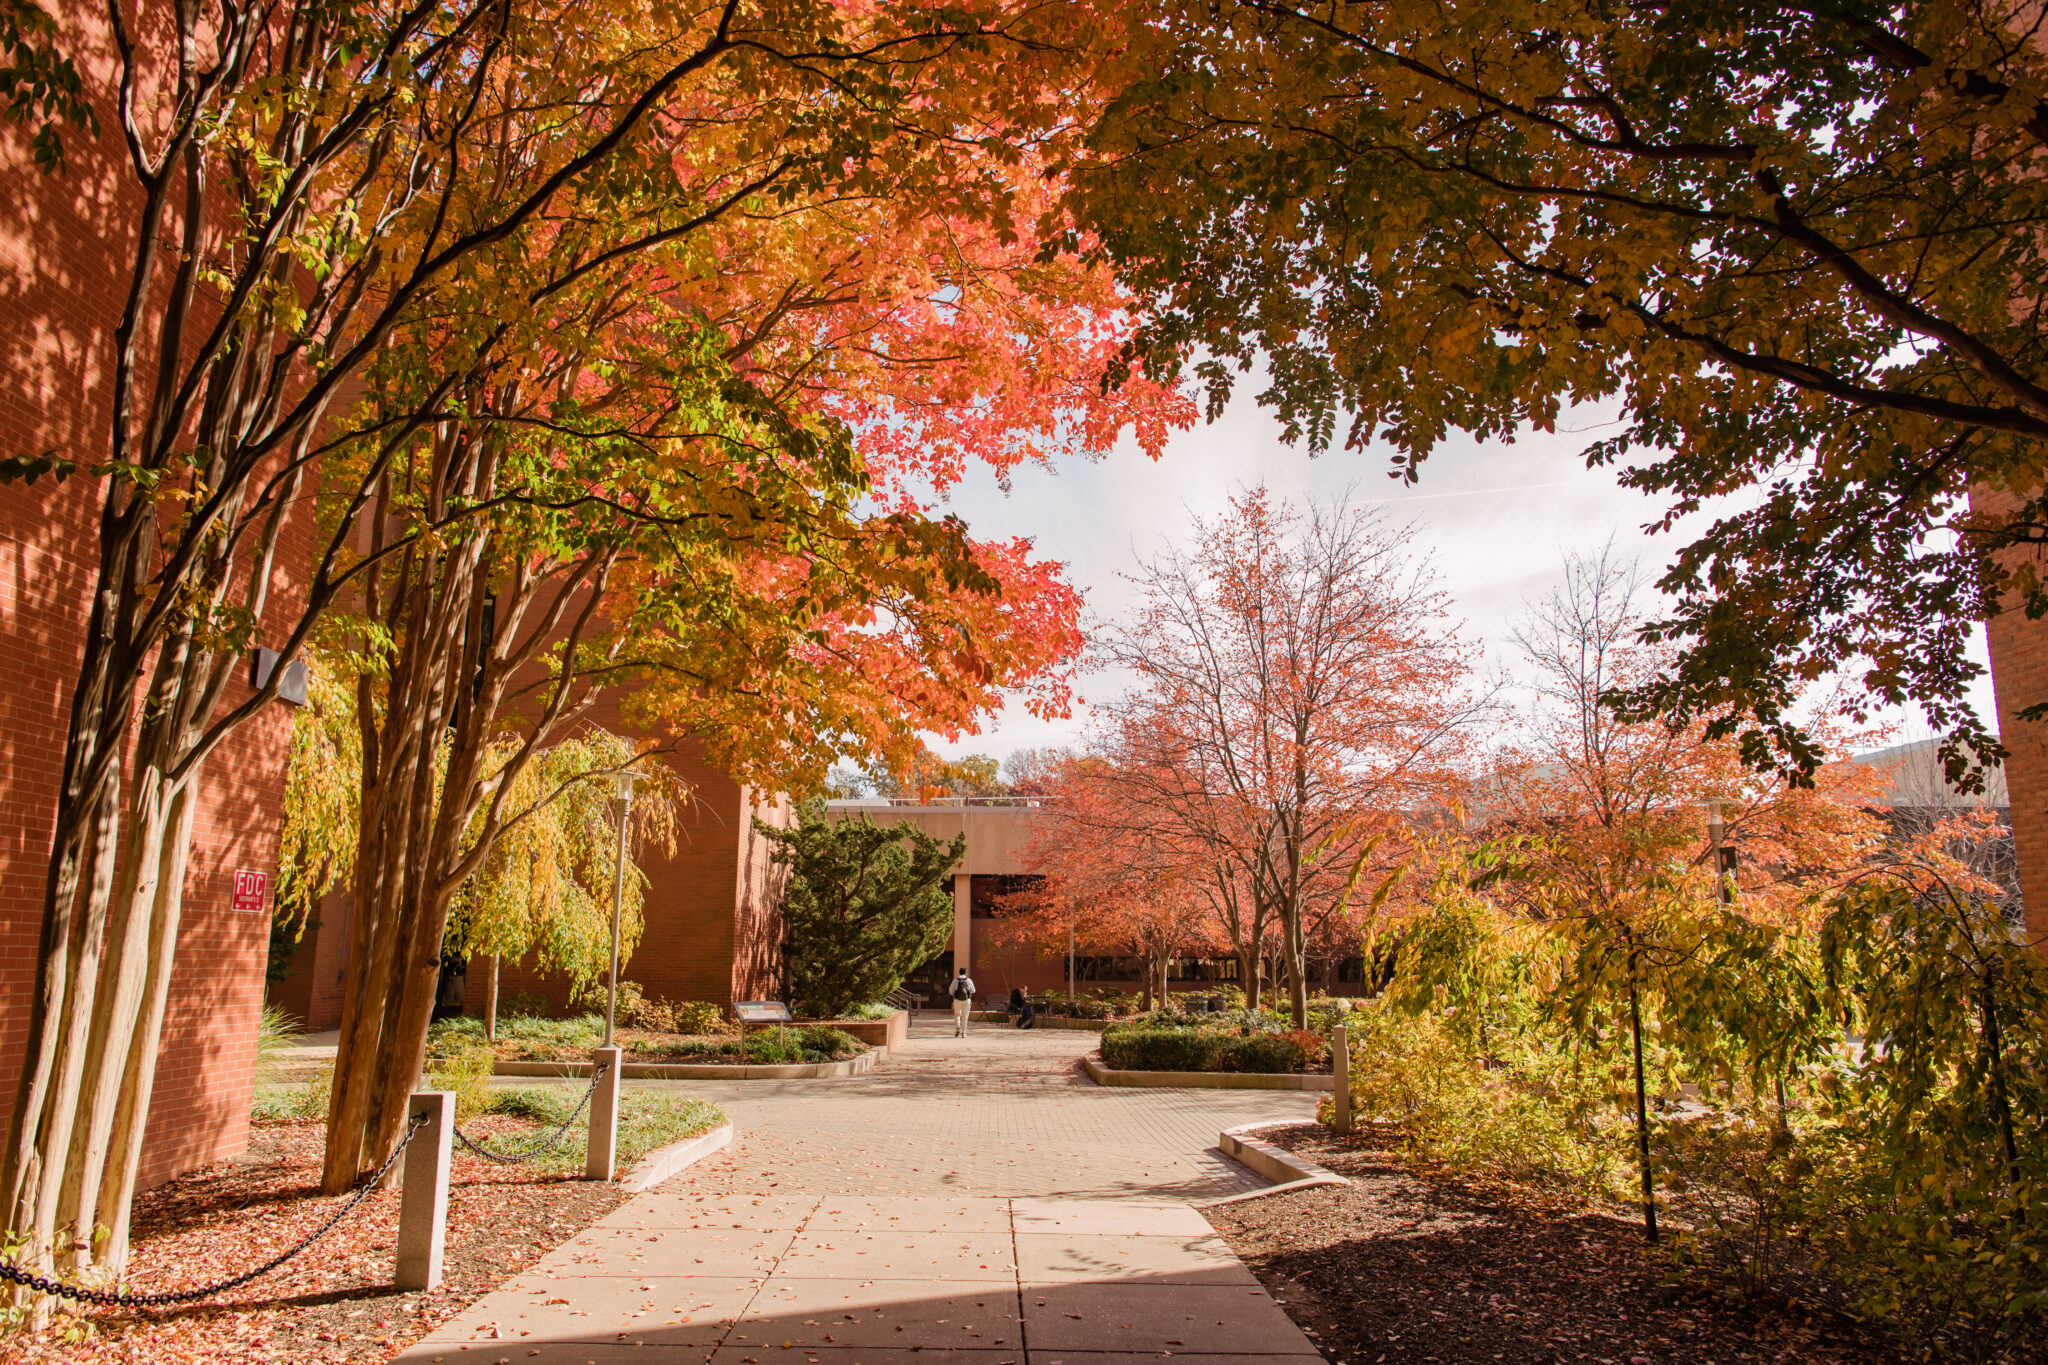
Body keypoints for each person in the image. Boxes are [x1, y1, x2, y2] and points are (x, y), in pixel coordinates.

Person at [948, 967, 976, 1036]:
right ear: (965, 972)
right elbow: (973, 990)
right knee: (965, 1016)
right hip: (967, 1000)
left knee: (957, 1014)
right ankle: (963, 1032)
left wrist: (955, 995)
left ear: (959, 972)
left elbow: (950, 991)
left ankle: (957, 1027)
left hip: (957, 1000)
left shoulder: (955, 980)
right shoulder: (969, 980)